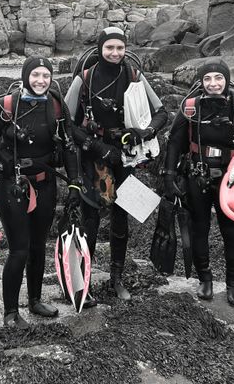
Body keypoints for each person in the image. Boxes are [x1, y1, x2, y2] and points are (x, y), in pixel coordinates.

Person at [65, 27, 168, 304]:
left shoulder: (133, 75)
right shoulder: (84, 79)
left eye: (120, 48)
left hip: (125, 156)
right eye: (109, 47)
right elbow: (67, 124)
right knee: (91, 219)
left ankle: (116, 279)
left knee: (121, 217)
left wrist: (145, 133)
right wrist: (97, 147)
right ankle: (82, 283)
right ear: (100, 48)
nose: (115, 53)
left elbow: (162, 113)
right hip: (93, 157)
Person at [162, 58, 234, 307]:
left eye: (219, 78)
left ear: (227, 80)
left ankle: (233, 285)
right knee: (199, 228)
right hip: (197, 173)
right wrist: (169, 176)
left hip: (232, 178)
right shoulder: (190, 107)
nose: (213, 84)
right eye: (208, 79)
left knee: (231, 231)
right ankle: (205, 280)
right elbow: (174, 142)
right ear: (201, 82)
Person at [0, 56, 83, 328]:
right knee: (19, 249)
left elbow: (70, 145)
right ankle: (11, 312)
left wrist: (74, 183)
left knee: (39, 246)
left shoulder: (56, 105)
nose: (41, 80)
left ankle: (36, 300)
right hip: (12, 186)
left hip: (46, 182)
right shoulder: (4, 106)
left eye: (46, 76)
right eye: (35, 75)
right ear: (26, 76)